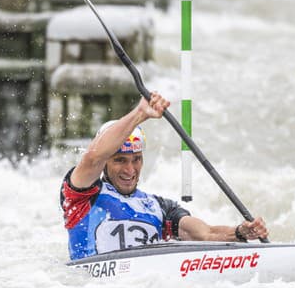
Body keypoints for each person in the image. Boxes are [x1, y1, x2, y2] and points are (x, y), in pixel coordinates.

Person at [59, 92, 269, 260]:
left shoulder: (158, 207)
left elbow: (204, 235)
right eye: (120, 160)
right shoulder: (83, 196)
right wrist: (139, 114)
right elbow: (94, 157)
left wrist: (240, 233)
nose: (130, 170)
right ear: (106, 162)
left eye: (136, 159)